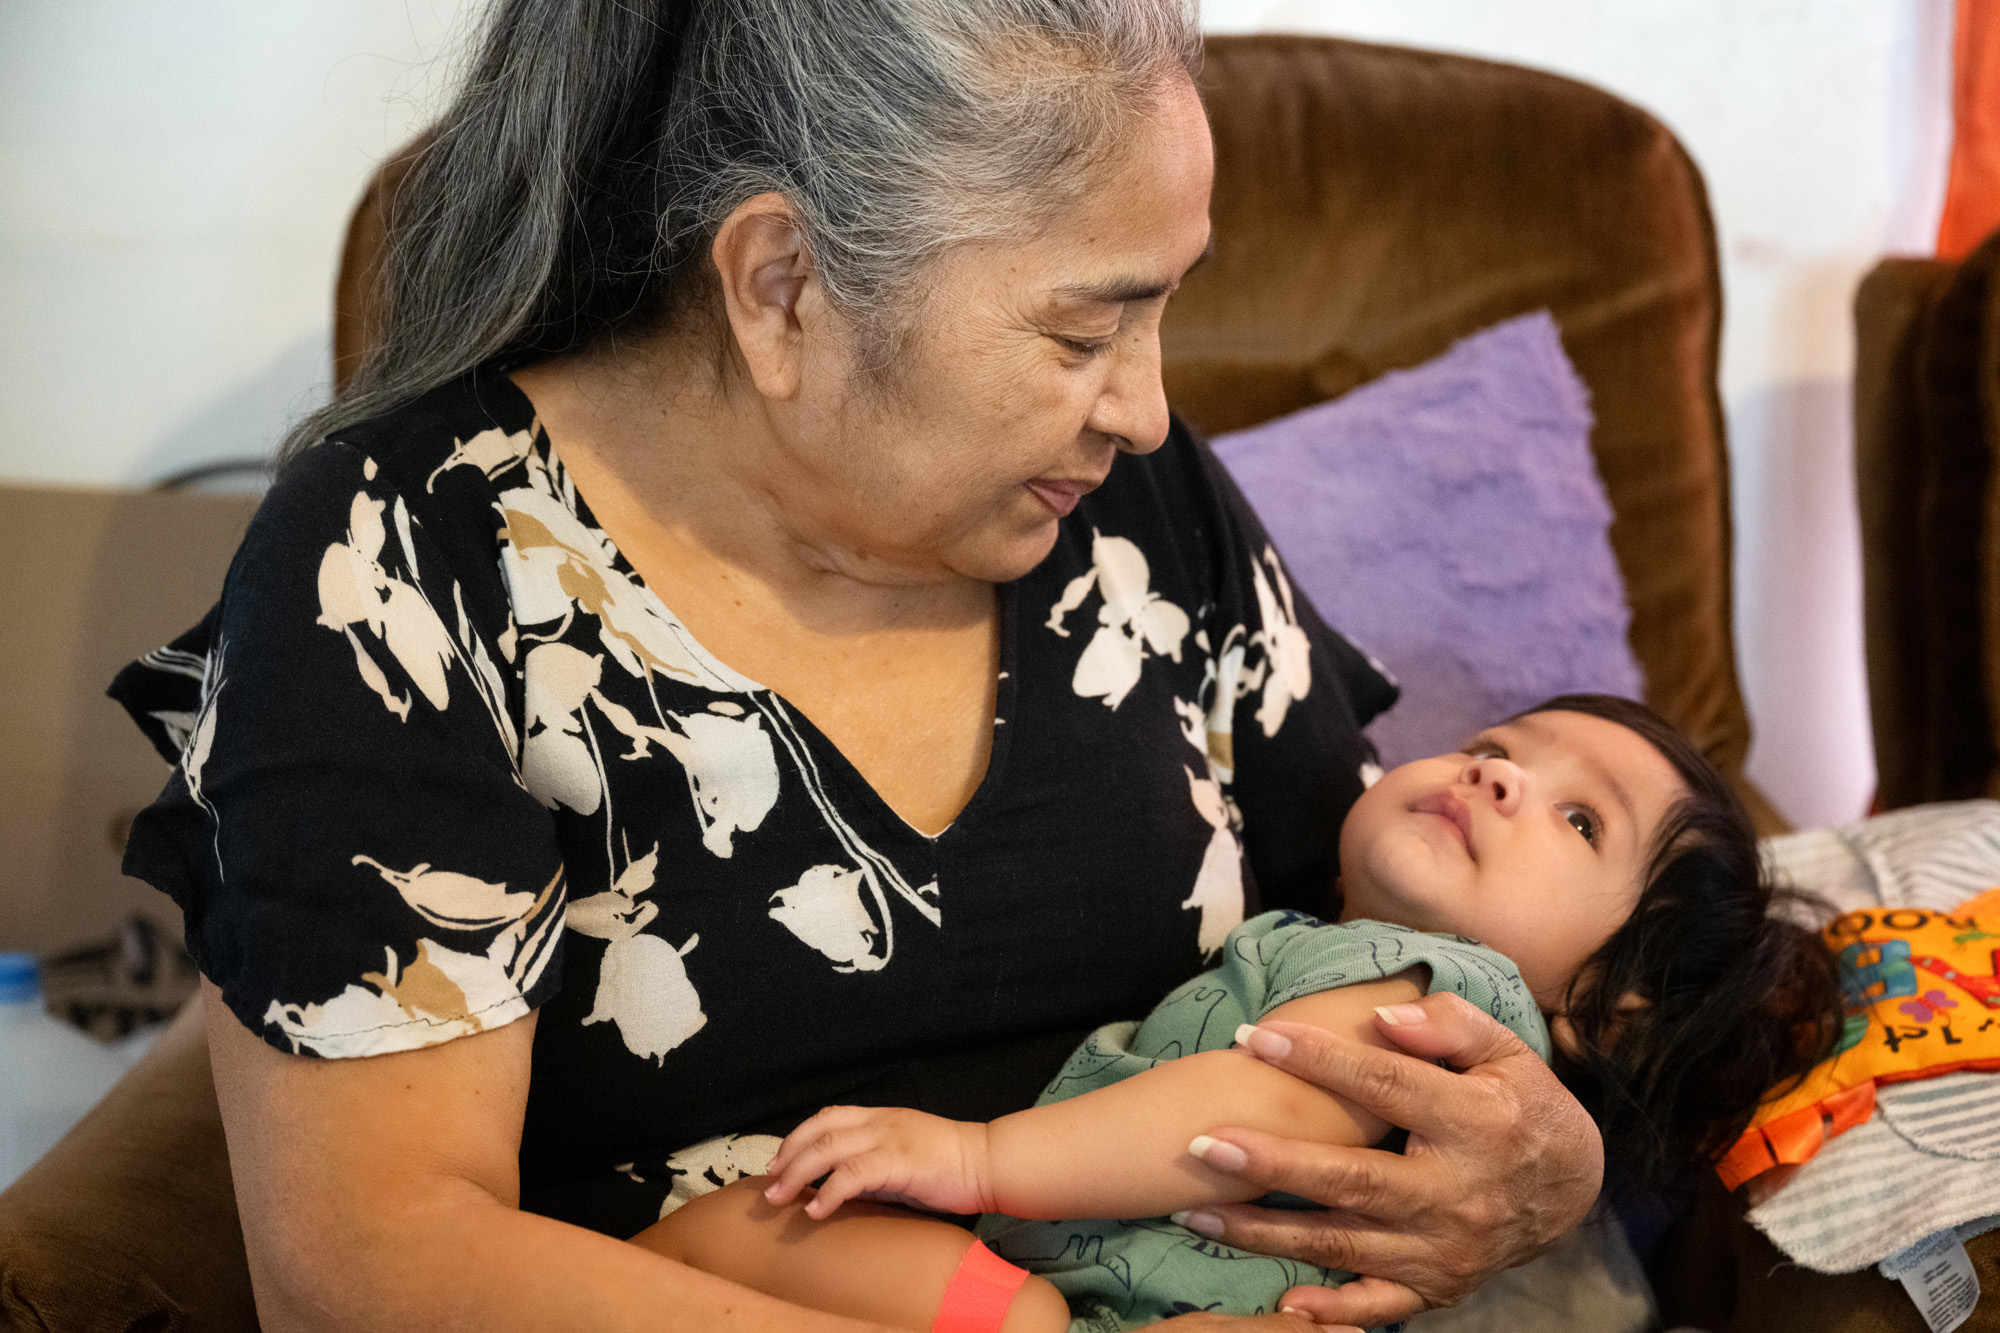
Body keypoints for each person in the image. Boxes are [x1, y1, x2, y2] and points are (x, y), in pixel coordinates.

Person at [111, 2, 1604, 1328]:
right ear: (780, 284)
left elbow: (1398, 918)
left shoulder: (1121, 507)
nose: (1147, 407)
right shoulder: (404, 568)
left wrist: (1549, 1160)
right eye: (1087, 327)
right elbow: (374, 1271)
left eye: (1163, 306)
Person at [616, 696, 1843, 1330]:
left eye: (1579, 821)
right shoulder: (1324, 942)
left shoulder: (1459, 997)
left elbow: (1245, 1114)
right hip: (1061, 1284)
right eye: (1490, 744)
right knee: (780, 1225)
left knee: (830, 1239)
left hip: (1135, 1304)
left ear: (1601, 1010)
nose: (1496, 772)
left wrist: (973, 1153)